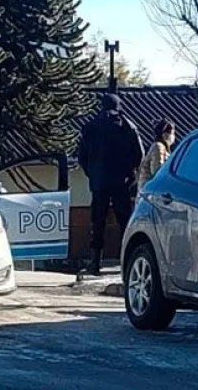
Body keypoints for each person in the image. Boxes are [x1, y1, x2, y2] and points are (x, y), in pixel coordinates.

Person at [78, 94, 143, 275]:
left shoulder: (90, 127)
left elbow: (81, 156)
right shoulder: (128, 126)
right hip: (121, 182)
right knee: (125, 223)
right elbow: (139, 154)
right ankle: (127, 262)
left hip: (99, 182)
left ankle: (95, 262)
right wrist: (131, 175)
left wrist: (92, 174)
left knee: (97, 222)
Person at [137, 119, 176, 190]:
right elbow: (157, 171)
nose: (172, 135)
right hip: (149, 192)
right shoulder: (158, 148)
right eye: (170, 132)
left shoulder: (163, 148)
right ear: (163, 134)